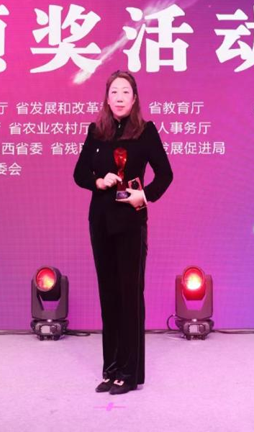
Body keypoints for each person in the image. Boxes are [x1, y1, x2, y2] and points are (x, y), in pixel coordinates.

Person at [73, 70, 173, 395]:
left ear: (135, 98)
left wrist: (144, 195)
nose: (119, 98)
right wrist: (98, 181)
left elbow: (165, 174)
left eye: (125, 92)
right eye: (114, 92)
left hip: (131, 222)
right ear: (106, 97)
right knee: (109, 295)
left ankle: (129, 373)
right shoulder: (96, 132)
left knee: (130, 295)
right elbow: (79, 173)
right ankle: (112, 368)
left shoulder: (145, 131)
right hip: (100, 221)